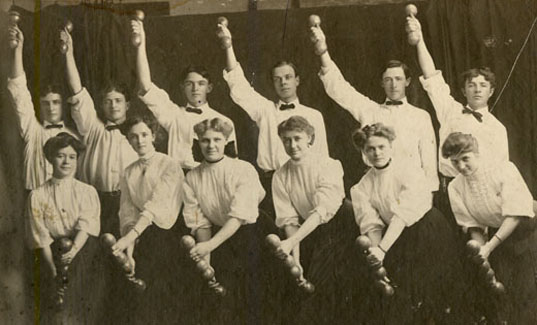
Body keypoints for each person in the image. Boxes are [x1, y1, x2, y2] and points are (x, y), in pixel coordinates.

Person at [350, 123, 468, 324]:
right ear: (363, 151)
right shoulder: (361, 187)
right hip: (397, 239)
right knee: (405, 295)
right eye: (370, 148)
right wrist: (378, 254)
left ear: (390, 146)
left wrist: (383, 249)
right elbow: (372, 225)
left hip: (429, 231)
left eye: (381, 147)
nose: (377, 153)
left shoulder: (408, 169)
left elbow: (403, 215)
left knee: (437, 291)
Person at [310, 21, 438, 193]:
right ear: (382, 83)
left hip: (412, 189)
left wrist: (430, 193)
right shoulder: (370, 111)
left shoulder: (421, 116)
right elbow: (340, 89)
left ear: (407, 82)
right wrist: (323, 53)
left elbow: (429, 161)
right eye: (388, 80)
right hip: (378, 188)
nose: (393, 85)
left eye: (398, 79)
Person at [219, 20, 329, 213]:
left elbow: (323, 157)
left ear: (297, 80)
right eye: (277, 79)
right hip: (272, 184)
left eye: (287, 77)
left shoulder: (315, 115)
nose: (283, 83)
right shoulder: (265, 110)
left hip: (308, 184)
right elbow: (239, 86)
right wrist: (228, 46)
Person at [407, 15, 508, 212]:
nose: (477, 90)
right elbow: (431, 76)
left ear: (491, 91)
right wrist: (419, 40)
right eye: (471, 85)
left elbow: (501, 172)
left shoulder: (498, 128)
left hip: (481, 194)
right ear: (464, 91)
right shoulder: (450, 109)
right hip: (448, 190)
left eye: (482, 85)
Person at [183, 117, 278, 324]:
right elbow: (200, 222)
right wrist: (205, 260)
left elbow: (239, 216)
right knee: (221, 295)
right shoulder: (192, 177)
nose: (211, 145)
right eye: (205, 140)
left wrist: (210, 245)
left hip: (253, 233)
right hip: (220, 236)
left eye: (217, 139)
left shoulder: (243, 169)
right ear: (198, 142)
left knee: (255, 293)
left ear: (226, 141)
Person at [442, 132, 537, 324]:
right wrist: (481, 251)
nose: (461, 166)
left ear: (476, 153)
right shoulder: (455, 187)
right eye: (455, 162)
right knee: (501, 290)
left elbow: (515, 214)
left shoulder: (503, 169)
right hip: (499, 236)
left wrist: (489, 247)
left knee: (526, 290)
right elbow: (473, 225)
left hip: (528, 228)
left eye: (465, 159)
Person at [271, 116, 352, 324]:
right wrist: (295, 261)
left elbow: (322, 211)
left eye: (297, 138)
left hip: (341, 227)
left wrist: (291, 242)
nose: (292, 145)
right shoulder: (280, 175)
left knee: (323, 282)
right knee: (295, 280)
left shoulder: (329, 164)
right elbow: (289, 221)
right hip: (308, 231)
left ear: (310, 138)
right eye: (286, 140)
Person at [132, 19, 237, 173]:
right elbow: (145, 85)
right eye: (189, 84)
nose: (195, 89)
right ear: (182, 87)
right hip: (178, 181)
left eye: (201, 84)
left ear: (209, 88)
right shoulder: (174, 115)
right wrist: (141, 45)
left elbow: (232, 165)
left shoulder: (224, 121)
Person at [62, 28, 138, 237]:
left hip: (127, 204)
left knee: (124, 255)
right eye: (107, 101)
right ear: (102, 106)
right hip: (92, 201)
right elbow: (77, 92)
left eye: (118, 101)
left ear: (127, 105)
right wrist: (68, 53)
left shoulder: (138, 134)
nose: (113, 106)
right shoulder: (92, 128)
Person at [111, 113, 184, 324]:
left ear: (153, 135)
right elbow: (127, 213)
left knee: (166, 294)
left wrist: (128, 238)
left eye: (144, 134)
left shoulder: (170, 165)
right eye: (133, 136)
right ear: (128, 139)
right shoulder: (128, 172)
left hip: (170, 235)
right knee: (139, 294)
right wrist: (129, 252)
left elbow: (156, 206)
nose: (140, 140)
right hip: (142, 236)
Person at [26, 133, 104, 323]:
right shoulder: (37, 195)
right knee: (54, 302)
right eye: (61, 156)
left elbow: (87, 225)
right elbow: (39, 235)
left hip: (83, 250)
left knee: (80, 302)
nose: (66, 161)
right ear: (51, 158)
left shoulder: (87, 191)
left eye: (71, 157)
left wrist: (74, 250)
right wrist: (53, 269)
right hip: (50, 254)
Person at [7, 25, 79, 191]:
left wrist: (69, 53)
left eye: (55, 102)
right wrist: (18, 50)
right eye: (46, 103)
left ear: (63, 105)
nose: (51, 108)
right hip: (35, 203)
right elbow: (19, 91)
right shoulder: (32, 131)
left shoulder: (74, 136)